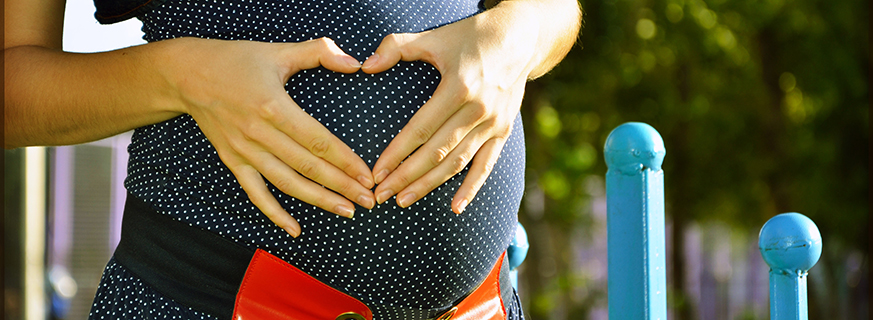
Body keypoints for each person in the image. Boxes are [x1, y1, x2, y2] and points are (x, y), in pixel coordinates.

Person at [5, 0, 581, 318]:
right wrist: (181, 76)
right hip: (205, 300)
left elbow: (553, 11)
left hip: (477, 304)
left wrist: (520, 35)